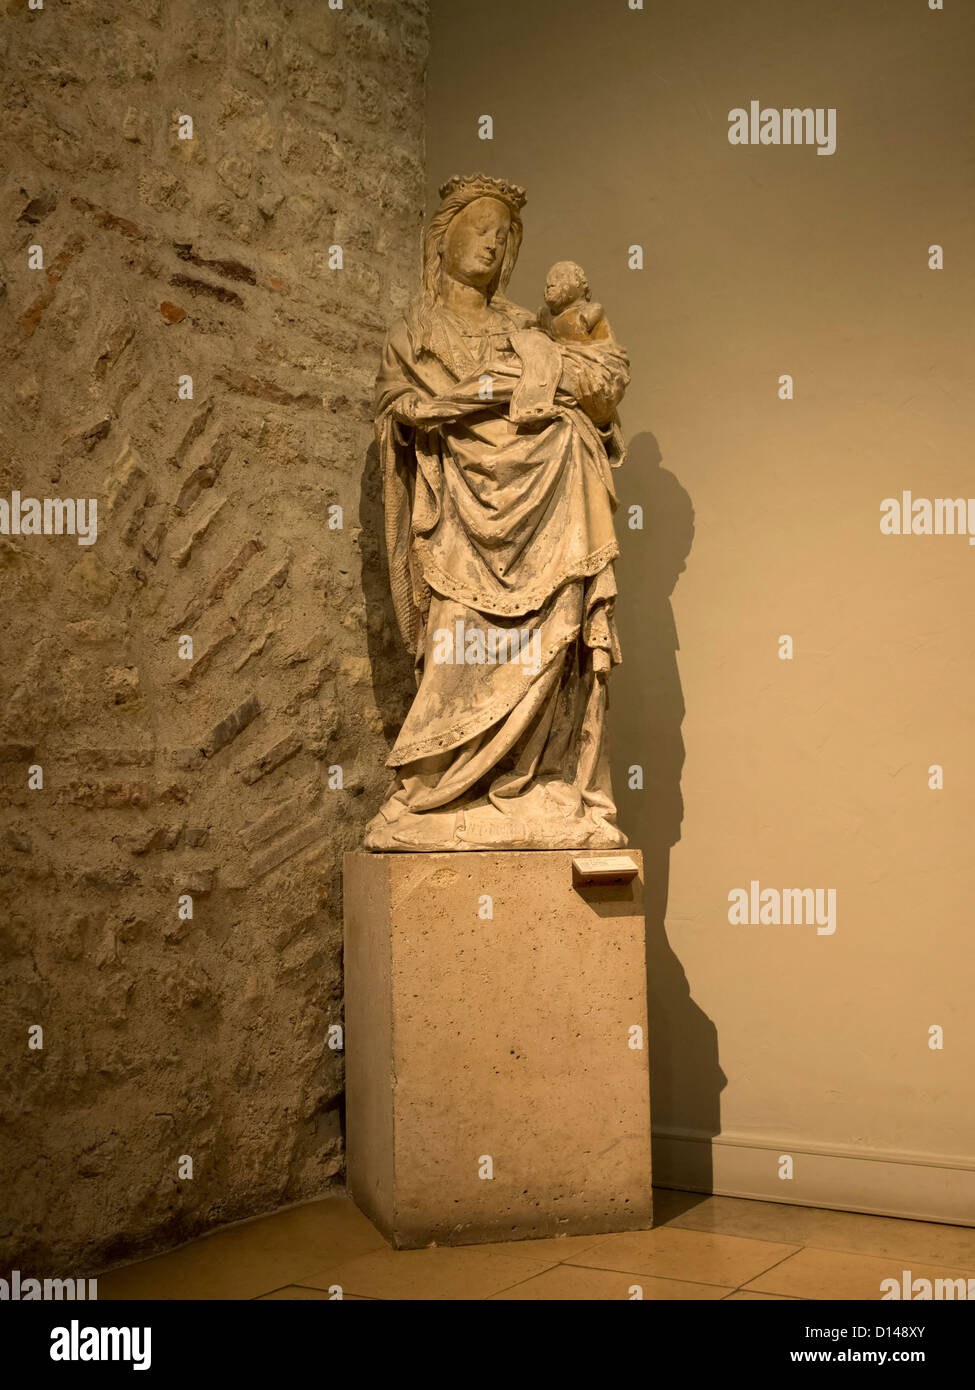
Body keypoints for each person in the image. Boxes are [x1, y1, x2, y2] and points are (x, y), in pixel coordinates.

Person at [363, 174, 631, 851]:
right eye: (476, 227)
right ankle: (434, 785)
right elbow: (398, 408)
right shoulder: (414, 334)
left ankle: (541, 780)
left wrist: (571, 372)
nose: (490, 242)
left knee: (555, 635)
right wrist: (426, 411)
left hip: (548, 513)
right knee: (460, 640)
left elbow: (592, 397)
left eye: (503, 234)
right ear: (442, 238)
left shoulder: (526, 329)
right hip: (459, 517)